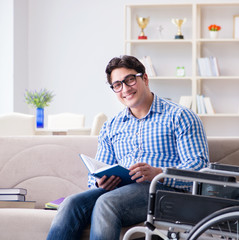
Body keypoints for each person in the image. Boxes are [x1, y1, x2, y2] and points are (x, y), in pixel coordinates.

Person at [47, 55, 209, 240]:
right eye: (117, 85)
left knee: (106, 203)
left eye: (130, 80)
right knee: (71, 204)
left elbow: (199, 168)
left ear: (145, 79)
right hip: (121, 191)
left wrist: (158, 173)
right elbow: (98, 173)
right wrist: (100, 182)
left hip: (164, 193)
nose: (124, 89)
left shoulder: (180, 116)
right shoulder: (111, 126)